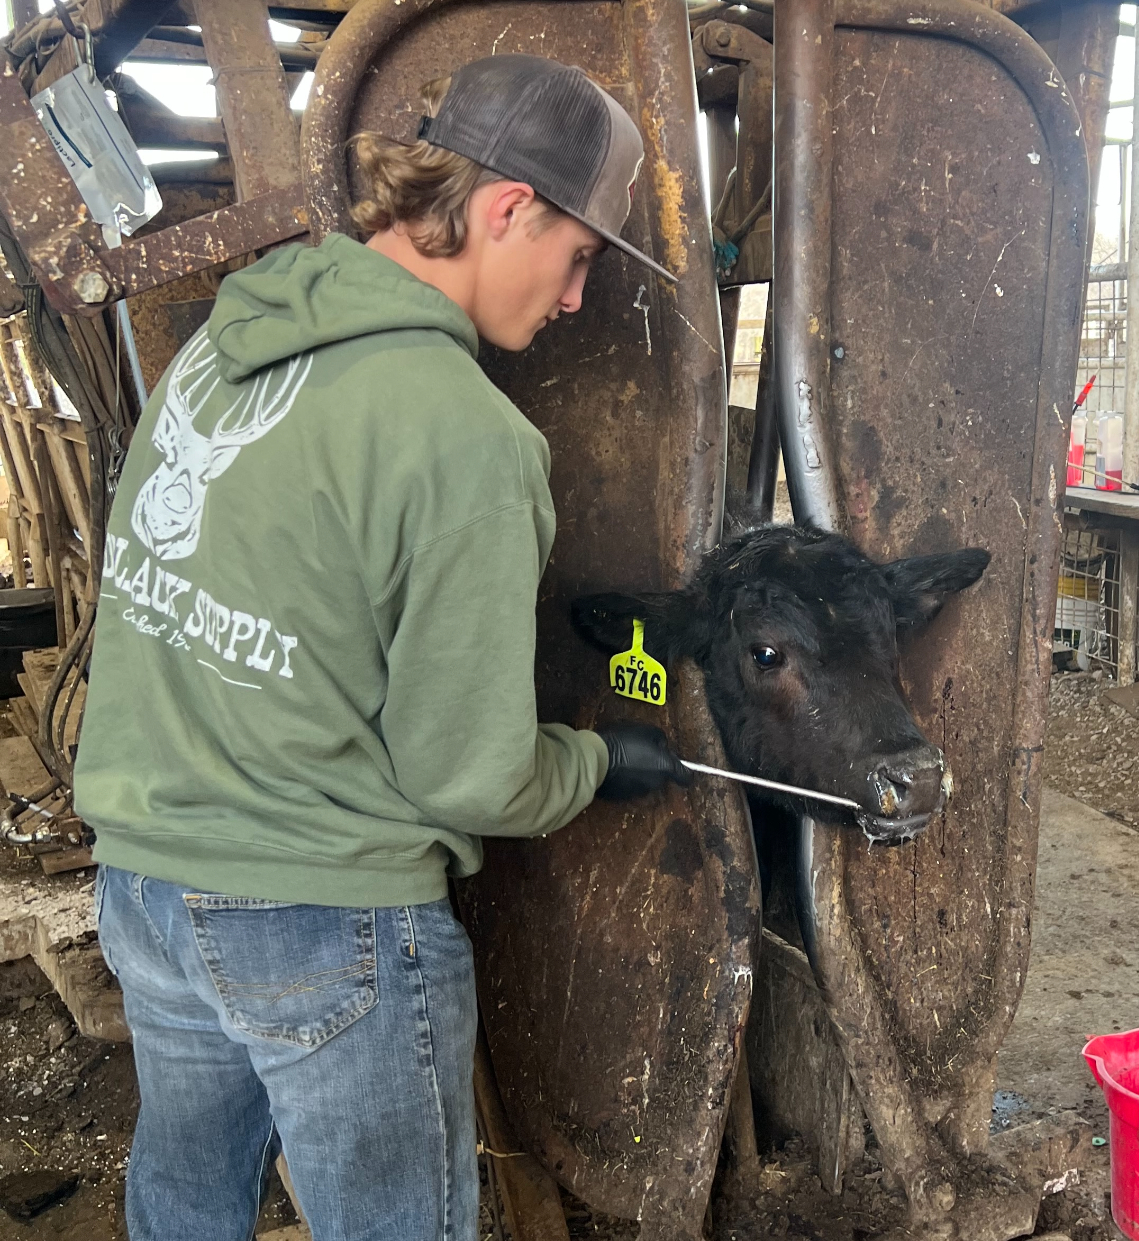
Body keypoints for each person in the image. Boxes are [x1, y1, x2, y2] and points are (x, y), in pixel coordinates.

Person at [74, 54, 691, 1239]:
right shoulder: (464, 434)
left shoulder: (219, 346)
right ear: (509, 207)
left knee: (184, 1203)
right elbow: (467, 773)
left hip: (145, 882)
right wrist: (593, 762)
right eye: (579, 261)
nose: (573, 302)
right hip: (320, 910)